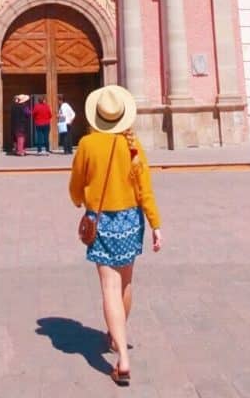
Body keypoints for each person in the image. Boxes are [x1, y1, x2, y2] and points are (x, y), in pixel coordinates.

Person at [68, 85, 162, 386]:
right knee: (126, 281)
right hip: (131, 221)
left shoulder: (87, 144)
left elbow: (76, 184)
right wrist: (156, 225)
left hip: (103, 221)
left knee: (109, 287)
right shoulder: (133, 146)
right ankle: (115, 334)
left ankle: (122, 356)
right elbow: (145, 189)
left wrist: (80, 201)